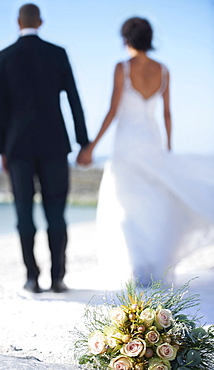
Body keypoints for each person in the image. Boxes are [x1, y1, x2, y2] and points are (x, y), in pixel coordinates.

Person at [77, 17, 214, 286]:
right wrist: (169, 148)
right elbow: (167, 114)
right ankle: (154, 268)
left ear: (126, 39)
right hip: (152, 141)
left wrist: (91, 147)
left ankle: (139, 270)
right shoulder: (163, 70)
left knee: (129, 207)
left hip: (127, 144)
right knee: (152, 204)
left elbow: (113, 111)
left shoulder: (123, 67)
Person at [0, 4, 89, 293]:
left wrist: (1, 150)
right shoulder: (57, 53)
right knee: (56, 213)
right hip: (55, 144)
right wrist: (83, 141)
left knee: (23, 213)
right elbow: (73, 98)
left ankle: (32, 278)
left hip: (17, 147)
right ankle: (58, 278)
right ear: (40, 22)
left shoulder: (2, 58)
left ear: (18, 22)